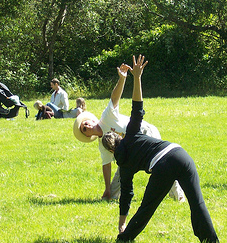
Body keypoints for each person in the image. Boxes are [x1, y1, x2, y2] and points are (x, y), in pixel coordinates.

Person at [101, 55, 219, 243]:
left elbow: (127, 194)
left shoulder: (123, 163)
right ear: (119, 136)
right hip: (180, 152)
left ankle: (124, 239)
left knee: (147, 207)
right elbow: (137, 108)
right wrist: (137, 77)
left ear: (112, 151)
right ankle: (211, 242)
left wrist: (121, 223)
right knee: (197, 202)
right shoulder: (130, 134)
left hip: (163, 164)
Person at [73, 64, 185, 202]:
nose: (87, 125)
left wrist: (122, 78)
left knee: (160, 163)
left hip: (146, 133)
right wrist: (107, 188)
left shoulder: (106, 117)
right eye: (84, 128)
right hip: (130, 151)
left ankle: (177, 193)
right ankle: (112, 194)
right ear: (87, 135)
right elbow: (106, 166)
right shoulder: (103, 144)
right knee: (115, 186)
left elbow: (115, 98)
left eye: (86, 122)